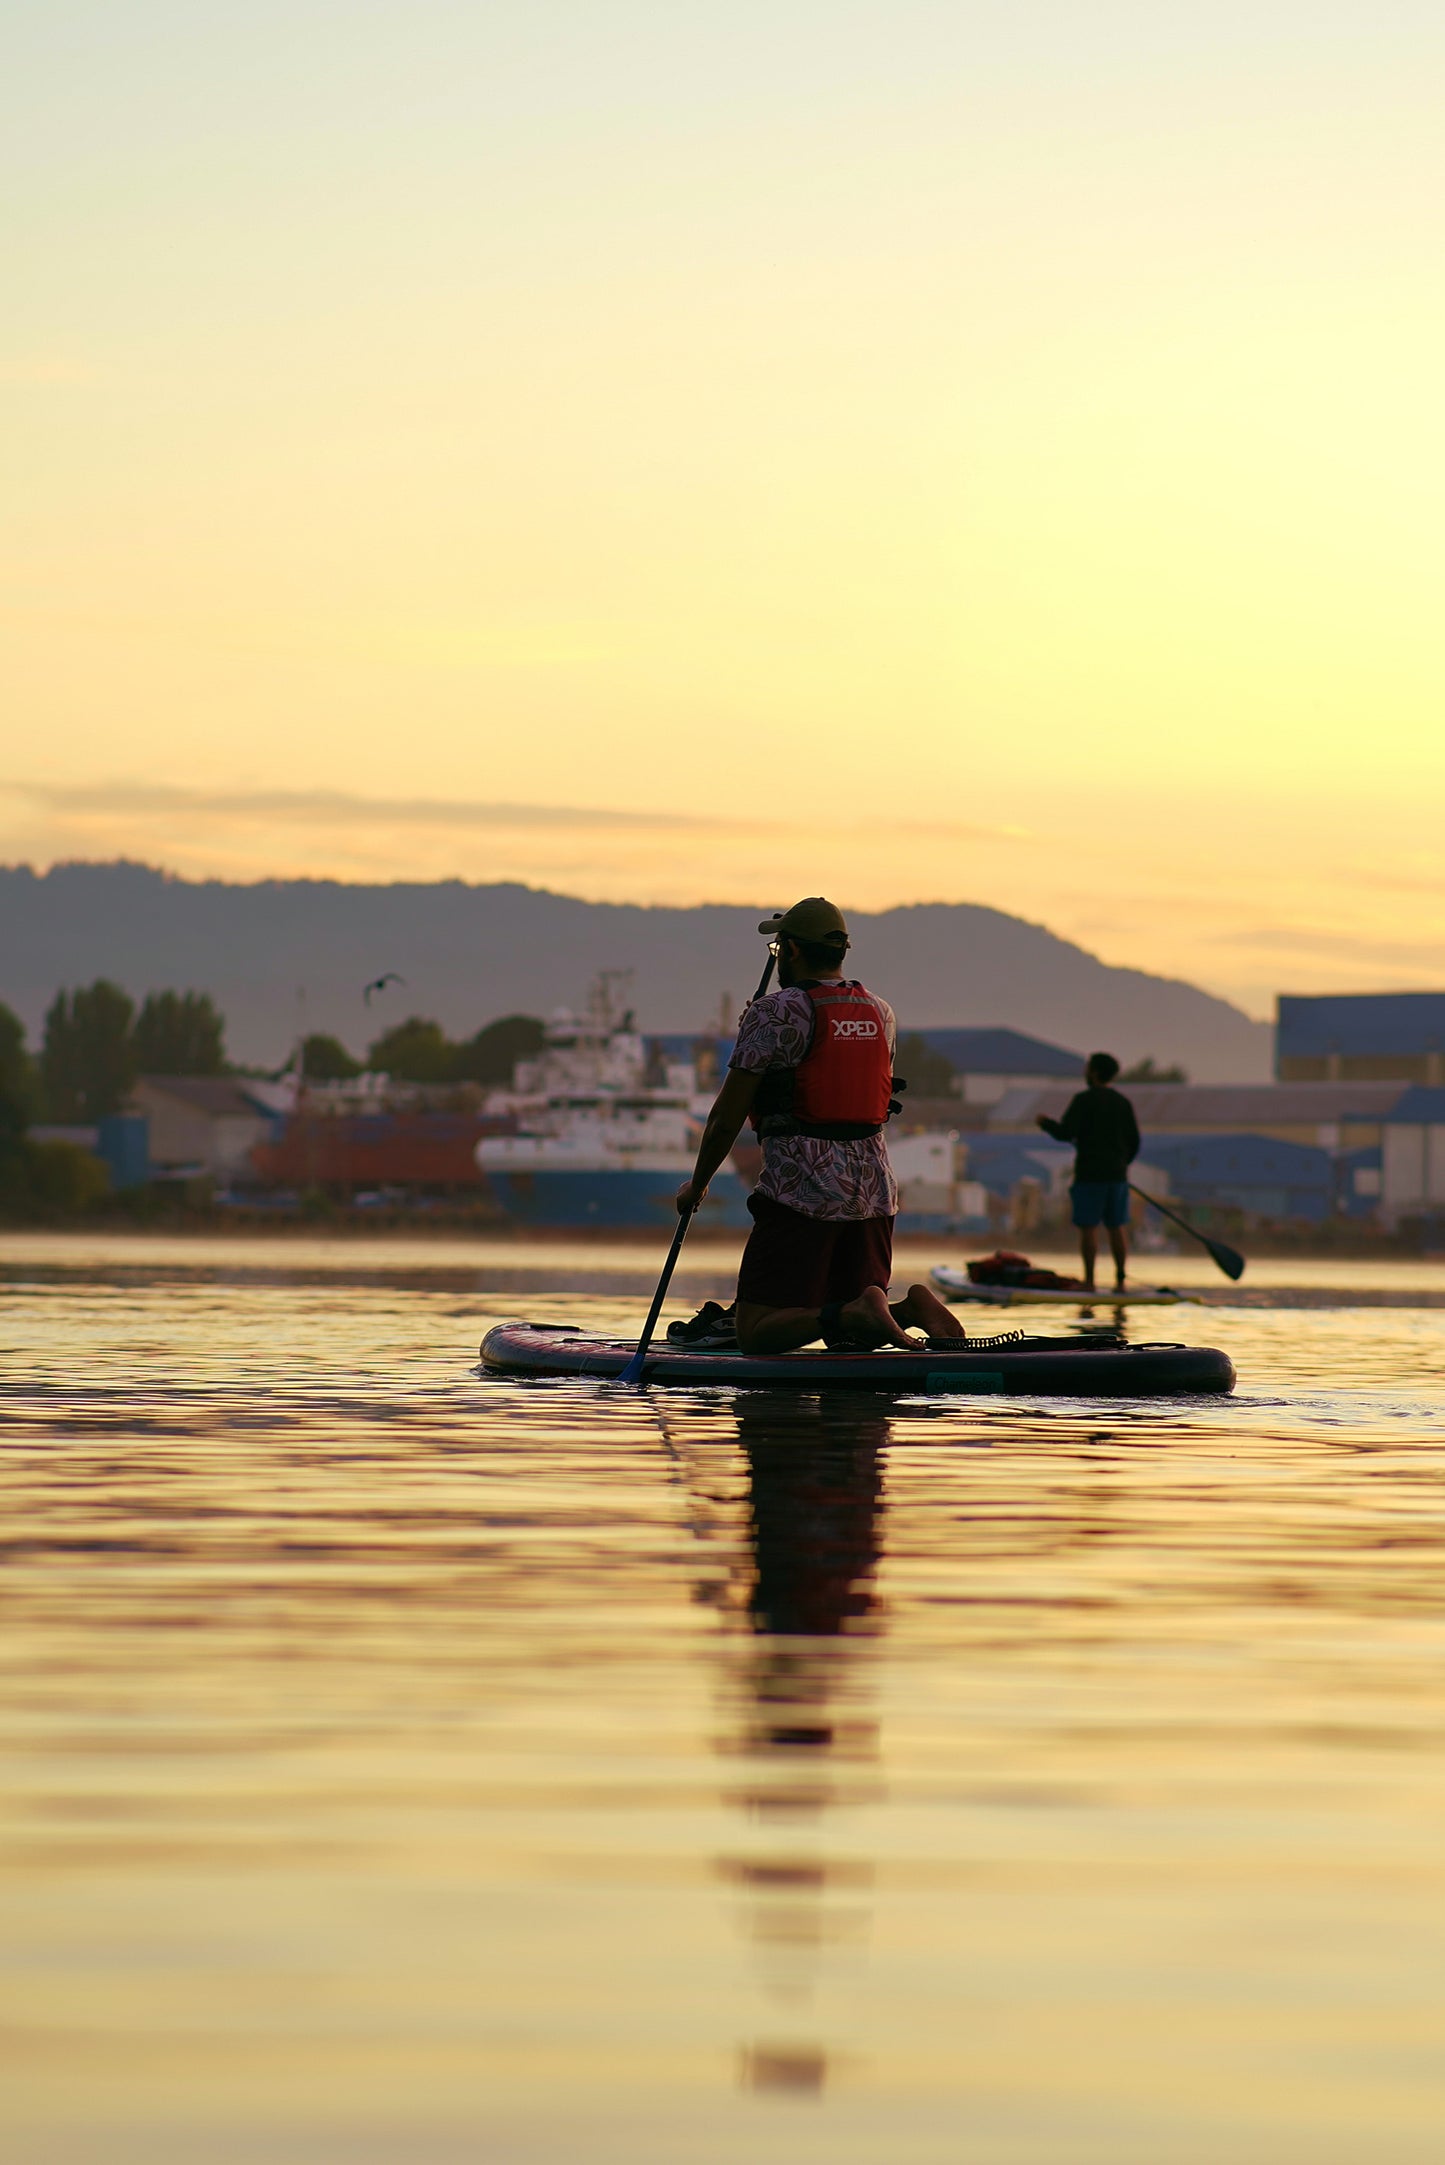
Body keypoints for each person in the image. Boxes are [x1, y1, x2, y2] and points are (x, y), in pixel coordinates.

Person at [674, 897, 966, 1354]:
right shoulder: (881, 1012)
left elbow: (725, 1118)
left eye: (777, 948)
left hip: (802, 1192)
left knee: (757, 1332)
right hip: (874, 1194)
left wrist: (697, 1185)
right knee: (847, 1340)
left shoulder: (773, 1012)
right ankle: (903, 1310)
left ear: (791, 950)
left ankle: (858, 1311)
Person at [1035, 1052, 1141, 1292]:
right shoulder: (1122, 1103)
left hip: (1090, 1176)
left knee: (1088, 1227)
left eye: (1087, 1068)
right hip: (1117, 1177)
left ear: (1094, 1073)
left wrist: (1045, 1123)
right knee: (1117, 1227)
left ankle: (1090, 1282)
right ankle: (1120, 1282)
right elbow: (1134, 1141)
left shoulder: (1083, 1100)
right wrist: (1122, 1165)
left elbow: (1066, 1132)